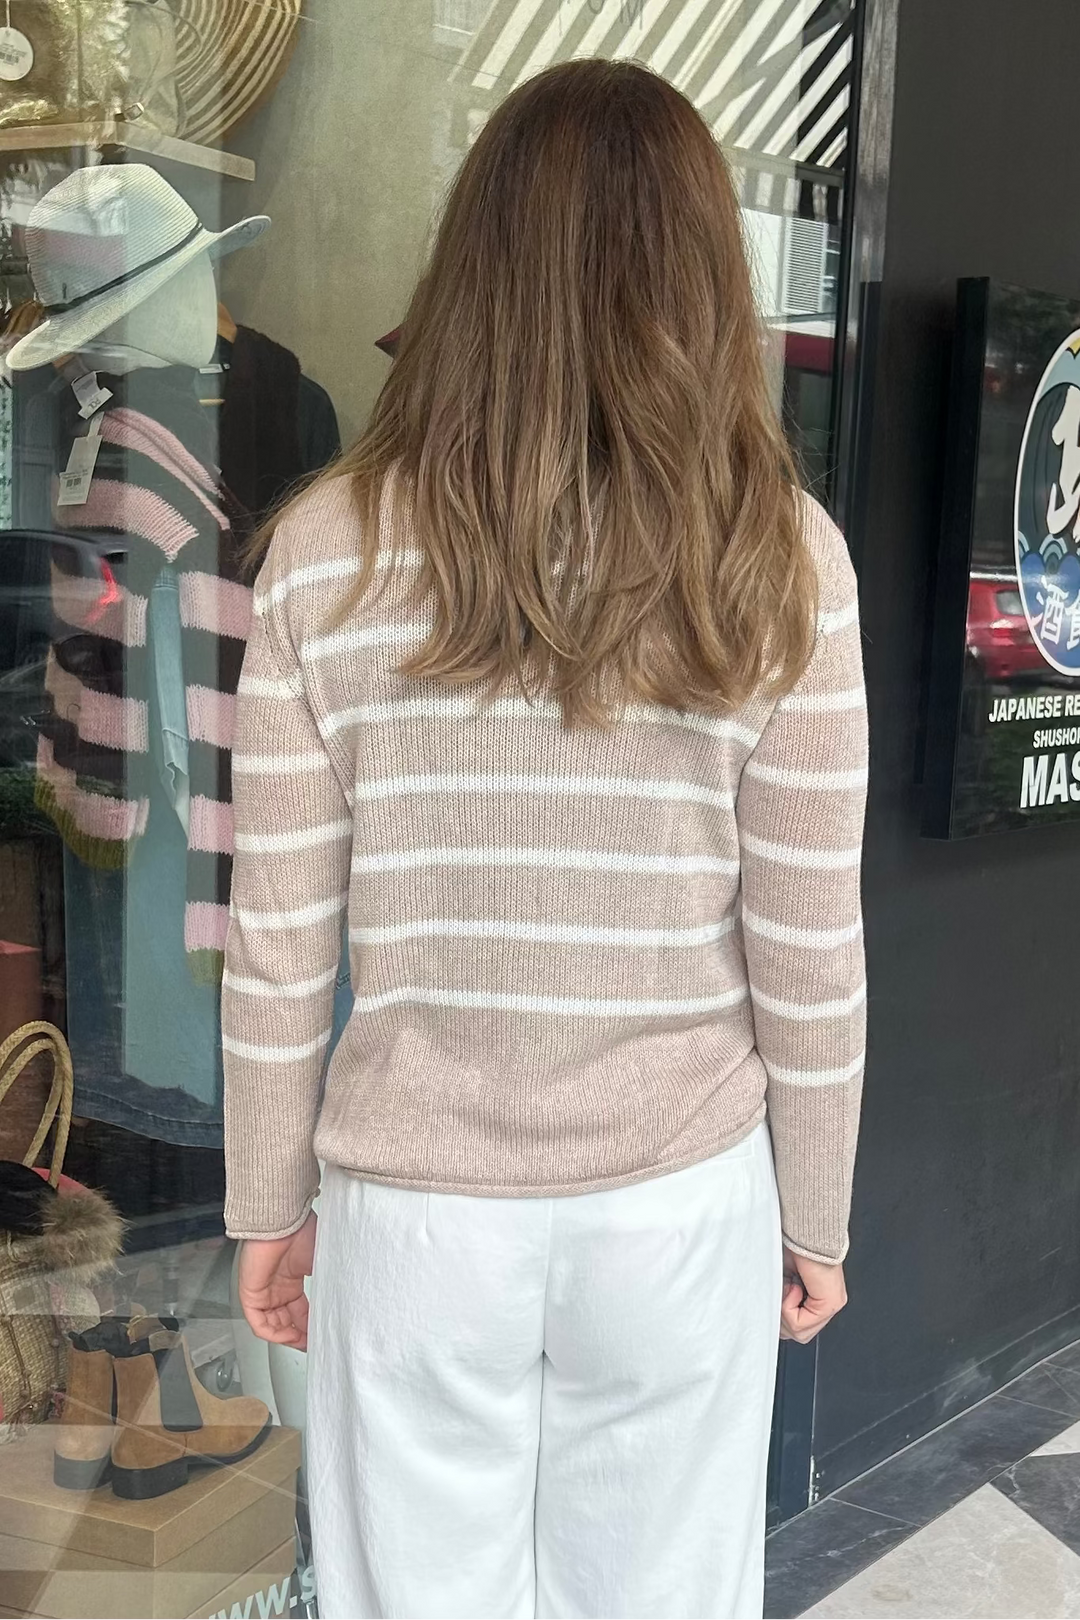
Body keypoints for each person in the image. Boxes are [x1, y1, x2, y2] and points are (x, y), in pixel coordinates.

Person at [222, 58, 868, 1620]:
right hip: (676, 1203)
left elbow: (277, 941)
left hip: (417, 1213)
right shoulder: (780, 557)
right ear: (704, 273)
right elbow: (808, 944)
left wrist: (265, 1206)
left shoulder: (324, 551)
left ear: (475, 261)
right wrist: (817, 1215)